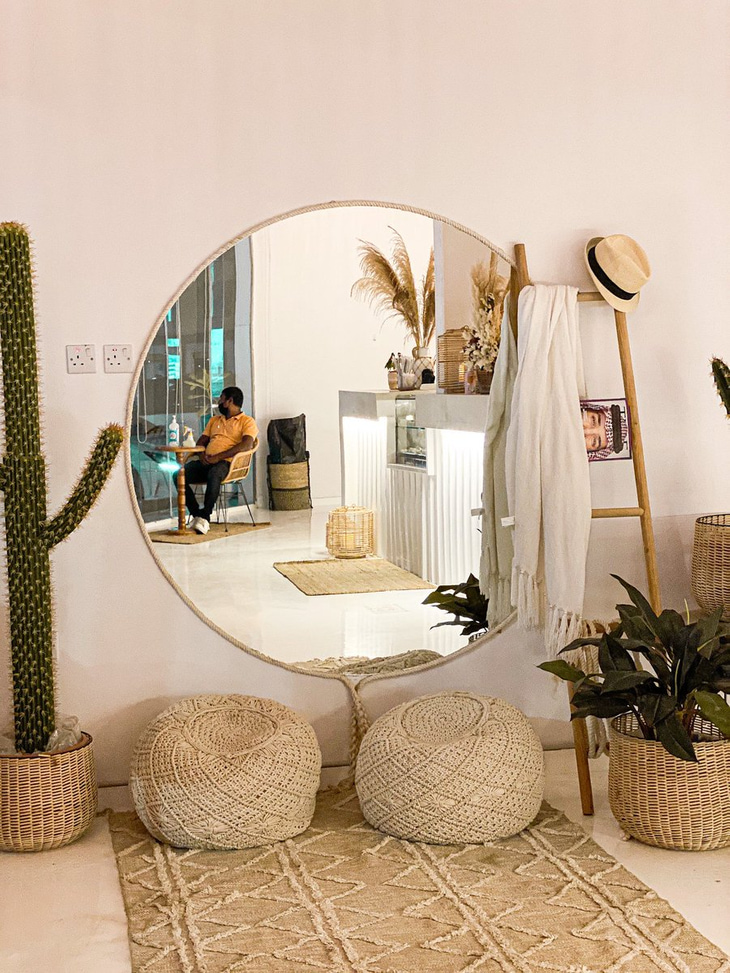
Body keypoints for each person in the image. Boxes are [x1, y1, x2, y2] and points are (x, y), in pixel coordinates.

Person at [175, 386, 257, 534]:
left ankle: (205, 516)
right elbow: (201, 441)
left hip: (228, 464)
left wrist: (218, 457)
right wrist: (202, 455)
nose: (219, 402)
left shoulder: (247, 421)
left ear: (230, 401)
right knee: (178, 474)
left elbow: (247, 444)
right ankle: (197, 514)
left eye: (221, 399)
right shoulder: (214, 420)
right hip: (206, 461)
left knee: (215, 473)